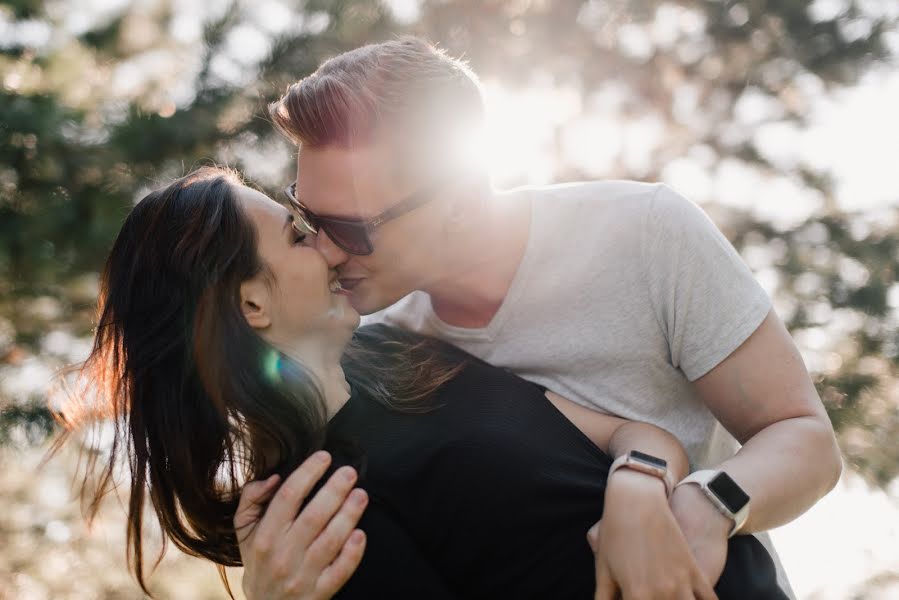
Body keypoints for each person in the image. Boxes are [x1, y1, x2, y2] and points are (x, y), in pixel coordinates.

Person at [247, 36, 843, 599]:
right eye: (305, 215)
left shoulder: (647, 234)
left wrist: (707, 503)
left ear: (456, 198)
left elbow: (805, 438)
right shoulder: (377, 345)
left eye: (349, 228)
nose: (323, 250)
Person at [56, 168, 787, 599]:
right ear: (253, 304)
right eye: (295, 235)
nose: (329, 242)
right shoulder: (308, 519)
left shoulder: (401, 350)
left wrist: (636, 486)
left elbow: (636, 431)